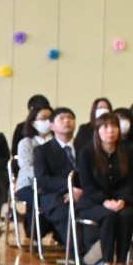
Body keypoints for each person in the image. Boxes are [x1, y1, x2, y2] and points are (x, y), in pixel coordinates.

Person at [77, 113, 133, 265]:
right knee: (109, 216)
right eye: (106, 126)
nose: (111, 131)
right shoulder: (87, 152)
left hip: (120, 201)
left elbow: (129, 181)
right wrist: (104, 201)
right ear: (98, 130)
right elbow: (87, 184)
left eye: (114, 126)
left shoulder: (128, 151)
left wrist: (122, 199)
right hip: (93, 202)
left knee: (127, 214)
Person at [33, 106, 81, 250]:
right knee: (67, 213)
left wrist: (80, 191)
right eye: (62, 118)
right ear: (52, 126)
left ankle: (98, 252)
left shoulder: (84, 148)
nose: (67, 121)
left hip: (82, 192)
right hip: (53, 195)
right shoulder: (42, 150)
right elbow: (42, 179)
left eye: (70, 118)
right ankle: (82, 254)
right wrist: (69, 187)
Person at [13, 99, 54, 240]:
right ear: (33, 123)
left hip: (50, 184)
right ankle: (34, 232)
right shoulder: (26, 142)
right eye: (43, 118)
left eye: (50, 118)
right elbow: (26, 165)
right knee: (39, 198)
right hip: (27, 184)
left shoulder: (56, 142)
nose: (47, 121)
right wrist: (45, 176)